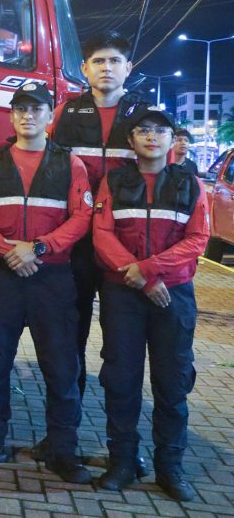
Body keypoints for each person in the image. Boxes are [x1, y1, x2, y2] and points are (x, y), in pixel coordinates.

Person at [0, 83, 93, 483]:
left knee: (61, 367)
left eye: (36, 109)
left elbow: (81, 217)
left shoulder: (70, 164)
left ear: (50, 116)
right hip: (2, 274)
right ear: (12, 115)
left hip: (51, 277)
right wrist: (8, 252)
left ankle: (62, 450)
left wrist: (37, 249)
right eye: (21, 109)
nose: (28, 116)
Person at [92, 105, 209, 502]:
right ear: (131, 140)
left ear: (172, 139)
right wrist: (140, 277)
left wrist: (148, 270)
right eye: (143, 130)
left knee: (172, 384)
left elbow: (197, 239)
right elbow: (102, 233)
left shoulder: (189, 183)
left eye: (160, 131)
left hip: (173, 296)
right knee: (121, 381)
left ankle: (169, 468)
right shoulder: (114, 181)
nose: (151, 136)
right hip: (123, 295)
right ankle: (122, 463)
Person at [49, 30, 151, 464]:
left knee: (122, 352)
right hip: (73, 247)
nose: (106, 68)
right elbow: (50, 170)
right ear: (85, 69)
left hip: (123, 251)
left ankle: (124, 451)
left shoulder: (146, 118)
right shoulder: (66, 113)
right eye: (98, 61)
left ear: (128, 68)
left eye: (114, 61)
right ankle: (62, 440)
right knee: (66, 344)